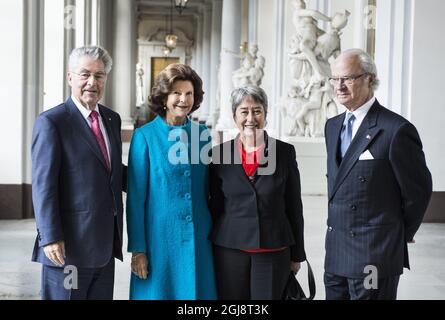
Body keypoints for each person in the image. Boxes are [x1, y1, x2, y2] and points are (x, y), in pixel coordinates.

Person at [324, 49, 432, 300]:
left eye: (347, 78)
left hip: (374, 254)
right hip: (336, 252)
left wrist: (397, 234)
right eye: (335, 79)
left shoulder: (396, 130)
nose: (339, 86)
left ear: (369, 79)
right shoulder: (332, 126)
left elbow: (418, 191)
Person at [31, 46, 125, 300]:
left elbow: (114, 172)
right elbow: (43, 185)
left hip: (104, 246)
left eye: (99, 75)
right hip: (67, 250)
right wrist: (49, 237)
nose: (92, 82)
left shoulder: (111, 119)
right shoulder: (53, 122)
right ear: (70, 77)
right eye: (85, 74)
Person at [126, 63, 217, 300]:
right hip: (159, 242)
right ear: (164, 97)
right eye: (176, 93)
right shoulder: (144, 137)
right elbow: (135, 199)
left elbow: (211, 189)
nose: (183, 99)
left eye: (189, 94)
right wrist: (138, 249)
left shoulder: (202, 135)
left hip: (199, 238)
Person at [210, 85, 306, 300]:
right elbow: (215, 205)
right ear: (234, 115)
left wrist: (298, 253)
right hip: (230, 249)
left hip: (273, 249)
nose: (251, 118)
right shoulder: (218, 154)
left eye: (257, 110)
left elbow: (294, 206)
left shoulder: (284, 152)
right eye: (244, 111)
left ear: (266, 114)